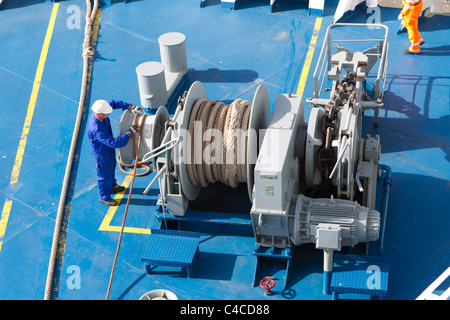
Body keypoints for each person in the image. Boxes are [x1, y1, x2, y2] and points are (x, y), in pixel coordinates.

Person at [88, 99, 144, 206]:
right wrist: (129, 133)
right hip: (102, 153)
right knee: (104, 174)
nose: (109, 113)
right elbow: (115, 143)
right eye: (107, 113)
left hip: (107, 150)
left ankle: (112, 185)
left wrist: (130, 106)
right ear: (100, 115)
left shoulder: (101, 109)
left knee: (112, 167)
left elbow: (113, 103)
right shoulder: (97, 129)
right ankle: (104, 197)